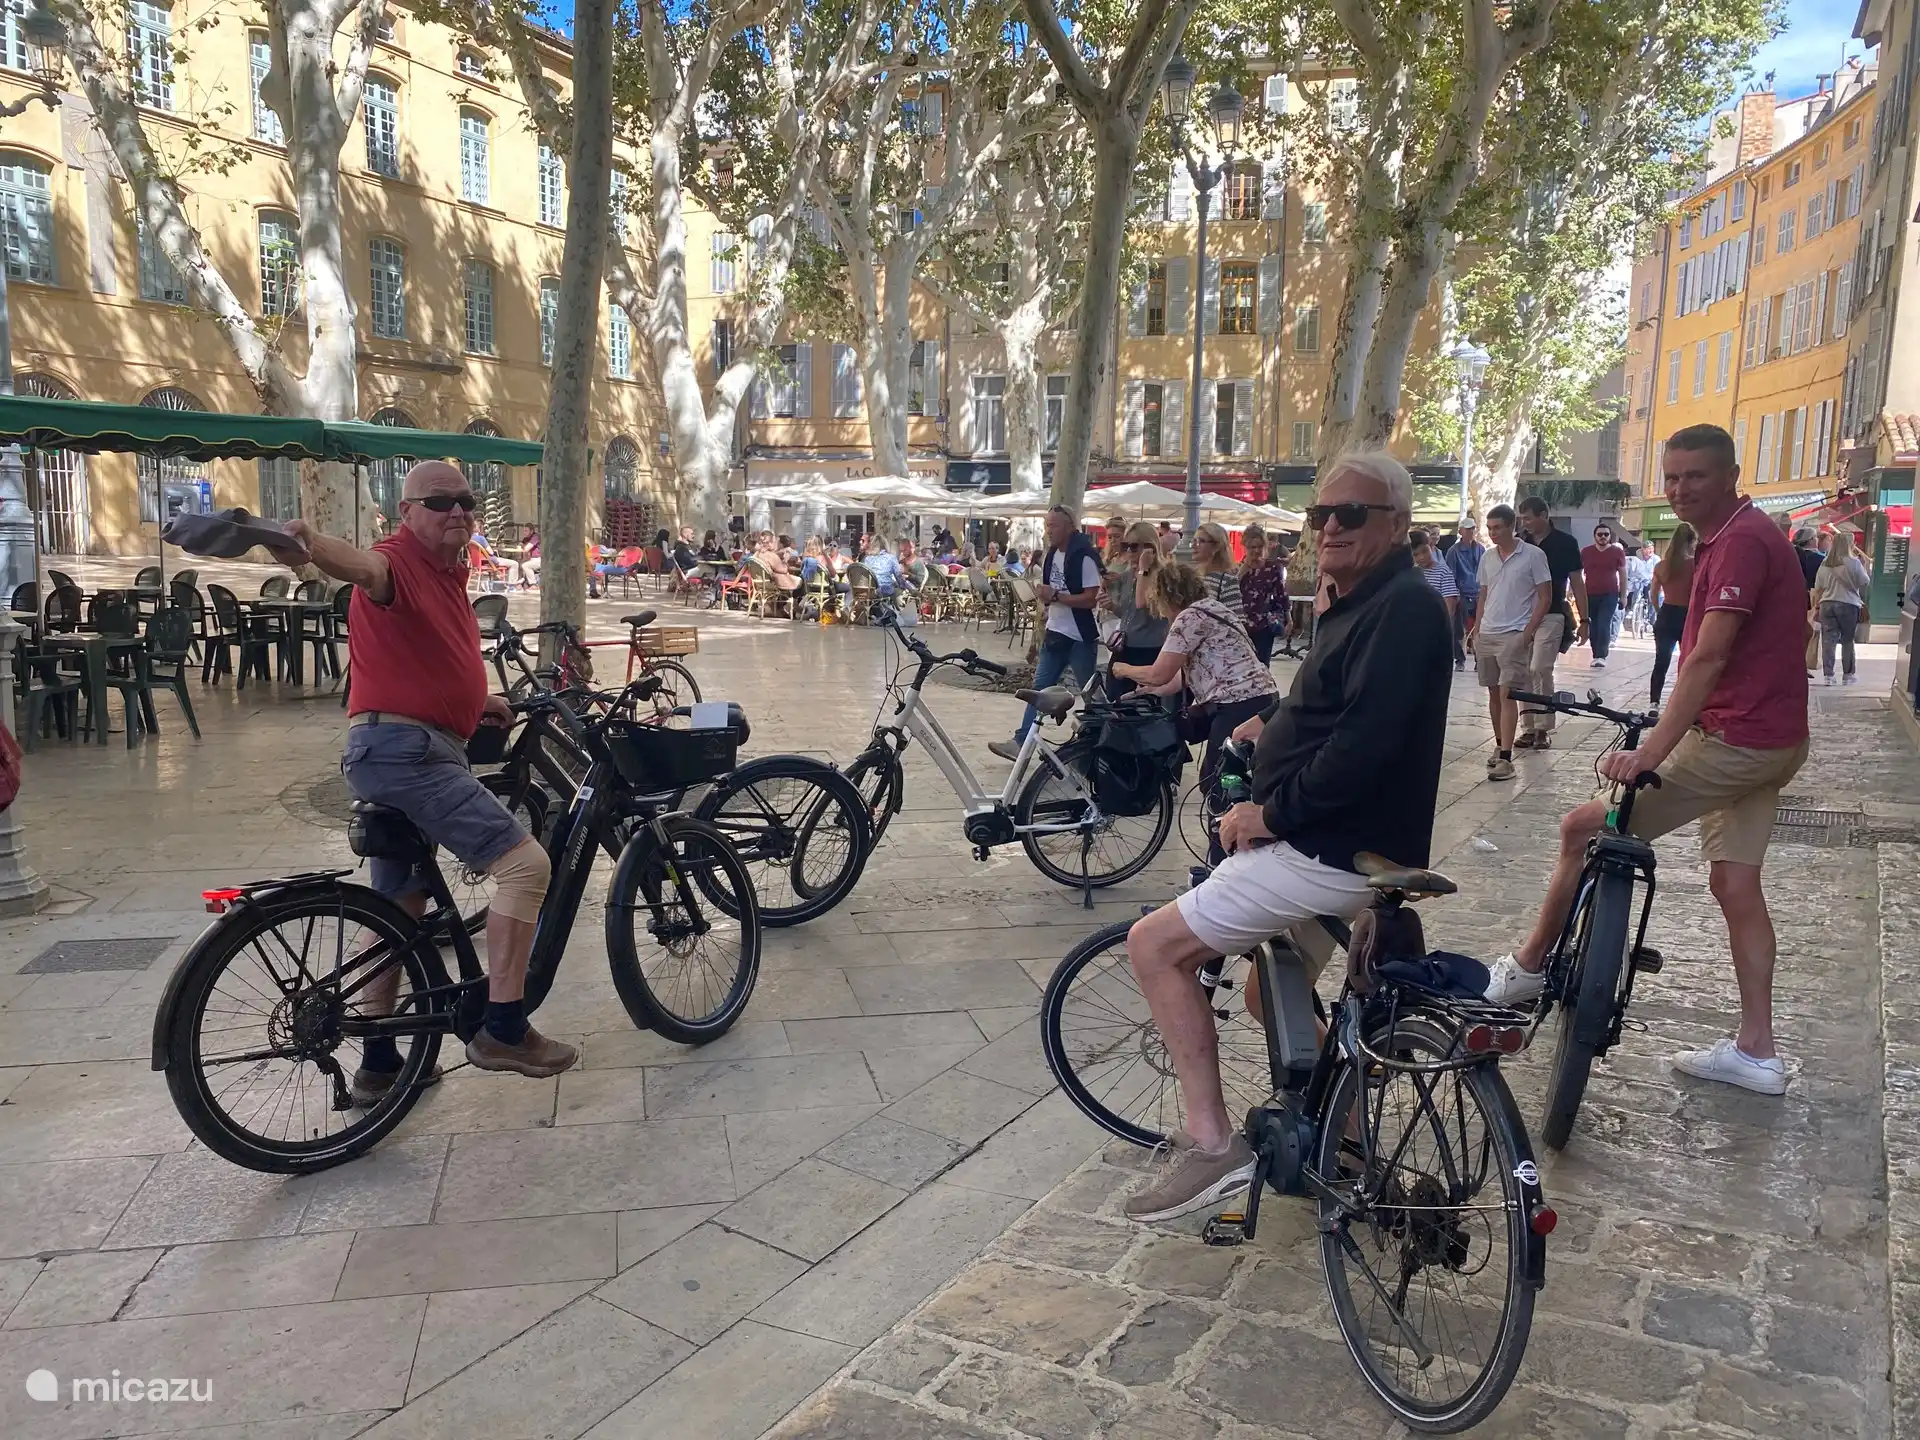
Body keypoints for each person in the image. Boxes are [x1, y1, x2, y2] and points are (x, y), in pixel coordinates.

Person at [1118, 453, 1451, 1221]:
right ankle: (1348, 1133)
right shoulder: (1363, 601)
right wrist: (1265, 731)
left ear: (1397, 525)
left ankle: (1211, 1150)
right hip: (1337, 841)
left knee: (1153, 946)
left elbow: (1363, 745)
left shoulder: (1401, 608)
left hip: (1330, 847)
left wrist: (1267, 816)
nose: (1330, 526)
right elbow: (1325, 708)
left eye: (1351, 515)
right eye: (1320, 514)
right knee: (1273, 987)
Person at [1485, 424, 1810, 1096]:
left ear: (1730, 475)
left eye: (1695, 475)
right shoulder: (1726, 539)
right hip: (1771, 741)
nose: (1680, 488)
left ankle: (1527, 968)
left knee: (1582, 827)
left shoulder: (1744, 540)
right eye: (1671, 476)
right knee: (1736, 886)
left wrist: (1652, 749)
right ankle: (1758, 1051)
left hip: (1736, 740)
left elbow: (1710, 656)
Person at [284, 462, 575, 1094]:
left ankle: (379, 1061)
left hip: (404, 745)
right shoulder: (399, 560)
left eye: (467, 501)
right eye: (440, 501)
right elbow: (365, 569)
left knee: (400, 908)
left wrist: (476, 704)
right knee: (527, 868)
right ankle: (504, 1026)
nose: (458, 511)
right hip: (407, 753)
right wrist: (307, 544)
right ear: (405, 512)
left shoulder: (449, 573)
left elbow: (430, 654)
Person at [1113, 562, 1279, 821]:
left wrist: (1123, 669)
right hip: (1258, 699)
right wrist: (1151, 690)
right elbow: (1184, 675)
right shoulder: (1214, 609)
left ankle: (1225, 853)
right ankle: (1230, 847)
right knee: (1226, 780)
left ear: (1165, 595)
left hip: (1238, 703)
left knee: (1218, 783)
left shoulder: (1189, 617)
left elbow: (1160, 672)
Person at [990, 506, 1103, 760]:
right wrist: (1047, 603)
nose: (1049, 531)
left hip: (1079, 638)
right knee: (1040, 689)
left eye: (1055, 526)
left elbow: (1091, 599)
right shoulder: (1051, 554)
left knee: (1090, 693)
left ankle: (1103, 740)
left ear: (1070, 528)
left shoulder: (1084, 557)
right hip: (1055, 632)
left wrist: (1056, 596)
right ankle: (1022, 743)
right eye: (1047, 525)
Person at [1469, 505, 1551, 782]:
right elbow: (1483, 594)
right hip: (1488, 634)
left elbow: (1545, 596)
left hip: (1514, 633)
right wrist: (1477, 629)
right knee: (1493, 694)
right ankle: (1499, 743)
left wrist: (1527, 632)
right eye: (1490, 528)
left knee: (1507, 694)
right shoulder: (1488, 557)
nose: (1493, 533)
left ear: (1511, 526)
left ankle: (1506, 757)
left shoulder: (1533, 556)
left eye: (1498, 527)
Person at [1515, 497, 1586, 750]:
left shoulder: (1566, 543)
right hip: (1522, 615)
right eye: (1522, 519)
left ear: (1544, 515)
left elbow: (1577, 582)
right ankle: (1528, 728)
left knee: (1540, 667)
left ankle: (1543, 728)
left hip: (1553, 612)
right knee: (1524, 670)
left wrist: (1584, 620)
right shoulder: (1520, 542)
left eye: (1528, 518)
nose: (1525, 523)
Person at [1101, 520, 1169, 697]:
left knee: (1140, 705)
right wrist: (1111, 605)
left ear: (1150, 548)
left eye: (1134, 547)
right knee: (1114, 699)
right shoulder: (1128, 575)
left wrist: (1143, 570)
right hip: (1125, 646)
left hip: (1148, 649)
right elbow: (1128, 612)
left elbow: (1142, 603)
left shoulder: (1162, 575)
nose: (1128, 552)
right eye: (1126, 546)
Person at [1813, 530, 1872, 686]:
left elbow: (1818, 586)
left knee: (1828, 641)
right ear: (1849, 544)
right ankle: (1848, 675)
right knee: (1847, 640)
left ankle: (1828, 676)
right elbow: (1864, 582)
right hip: (1848, 604)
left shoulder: (1825, 563)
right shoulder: (1853, 563)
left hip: (1827, 604)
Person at [1649, 523, 1695, 706]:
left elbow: (1653, 593)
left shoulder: (1662, 566)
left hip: (1667, 614)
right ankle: (1683, 702)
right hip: (1688, 615)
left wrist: (1659, 610)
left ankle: (1654, 702)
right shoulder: (1695, 564)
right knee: (1688, 661)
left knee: (1661, 660)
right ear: (1691, 542)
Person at [1238, 525, 1290, 665]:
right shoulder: (1237, 568)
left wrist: (1288, 619)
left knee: (1262, 665)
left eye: (1259, 546)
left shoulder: (1273, 567)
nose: (1256, 551)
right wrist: (1243, 569)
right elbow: (1232, 591)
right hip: (1241, 625)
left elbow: (1281, 595)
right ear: (1245, 547)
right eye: (1251, 547)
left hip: (1264, 625)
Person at [1579, 522, 1626, 668]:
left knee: (1604, 623)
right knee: (1593, 624)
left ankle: (1601, 655)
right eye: (1600, 534)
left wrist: (1623, 595)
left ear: (1610, 536)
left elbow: (1623, 574)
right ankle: (1596, 654)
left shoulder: (1617, 552)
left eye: (1606, 534)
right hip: (1589, 593)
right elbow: (1578, 573)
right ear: (1595, 536)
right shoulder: (1586, 552)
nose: (1603, 537)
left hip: (1610, 594)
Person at [1444, 518, 1485, 672]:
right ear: (1461, 531)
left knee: (1479, 629)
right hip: (1462, 594)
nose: (1471, 532)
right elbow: (1451, 575)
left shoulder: (1480, 549)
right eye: (1468, 529)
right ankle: (1459, 660)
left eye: (1473, 529)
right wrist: (1456, 596)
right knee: (1459, 630)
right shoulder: (1453, 551)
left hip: (1479, 593)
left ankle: (1478, 660)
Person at [1190, 522, 1243, 617]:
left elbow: (1236, 621)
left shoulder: (1227, 581)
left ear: (1216, 546)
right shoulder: (1191, 576)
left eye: (1200, 541)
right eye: (1193, 541)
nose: (1193, 545)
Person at [1410, 528, 1459, 627]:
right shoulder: (1410, 574)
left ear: (1431, 546)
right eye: (1416, 555)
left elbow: (1449, 606)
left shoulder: (1443, 572)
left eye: (1424, 551)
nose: (1422, 557)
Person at [1624, 542, 1656, 637]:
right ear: (1642, 549)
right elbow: (1633, 570)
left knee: (1652, 598)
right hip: (1639, 580)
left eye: (1651, 548)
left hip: (1651, 581)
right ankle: (1633, 608)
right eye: (1647, 548)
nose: (1650, 550)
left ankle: (1651, 622)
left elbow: (1657, 571)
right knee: (1635, 589)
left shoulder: (1656, 559)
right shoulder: (1636, 558)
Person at [517, 524, 542, 589]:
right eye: (524, 531)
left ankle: (533, 584)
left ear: (531, 531)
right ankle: (520, 583)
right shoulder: (526, 539)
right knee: (518, 563)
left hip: (539, 559)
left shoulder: (536, 537)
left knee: (526, 565)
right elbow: (521, 546)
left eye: (526, 531)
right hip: (531, 558)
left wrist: (523, 547)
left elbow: (526, 548)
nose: (524, 532)